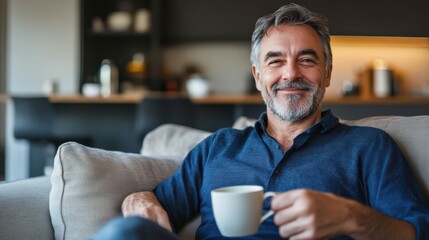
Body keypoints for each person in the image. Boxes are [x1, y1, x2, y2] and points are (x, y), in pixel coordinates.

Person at [94, 3, 429, 239]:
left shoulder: (369, 147)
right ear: (258, 76)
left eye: (307, 60)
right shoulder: (217, 148)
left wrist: (353, 218)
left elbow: (416, 231)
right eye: (275, 61)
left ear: (327, 73)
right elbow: (157, 205)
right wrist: (137, 200)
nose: (290, 74)